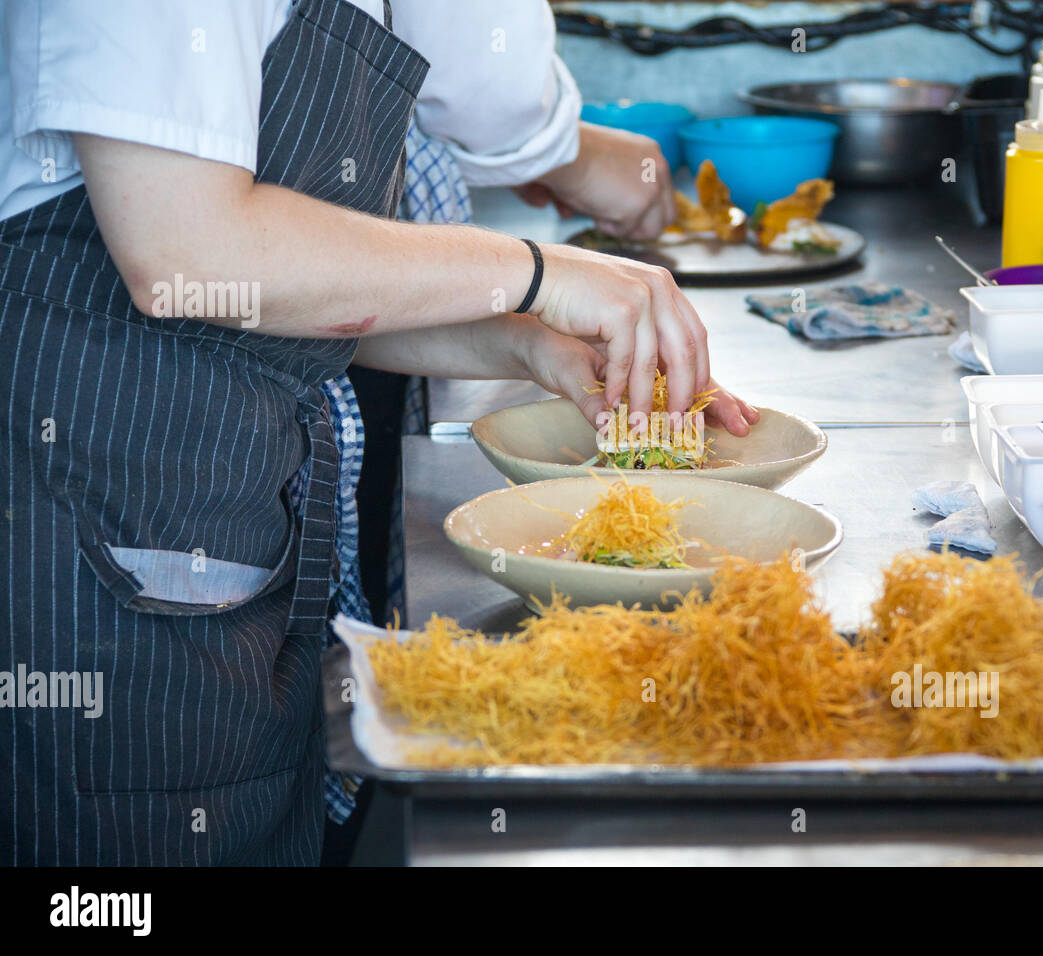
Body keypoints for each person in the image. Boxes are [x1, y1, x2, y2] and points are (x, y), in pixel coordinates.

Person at [0, 0, 756, 865]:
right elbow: (187, 255)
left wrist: (528, 342)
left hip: (222, 530)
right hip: (85, 542)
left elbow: (278, 289)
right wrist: (539, 271)